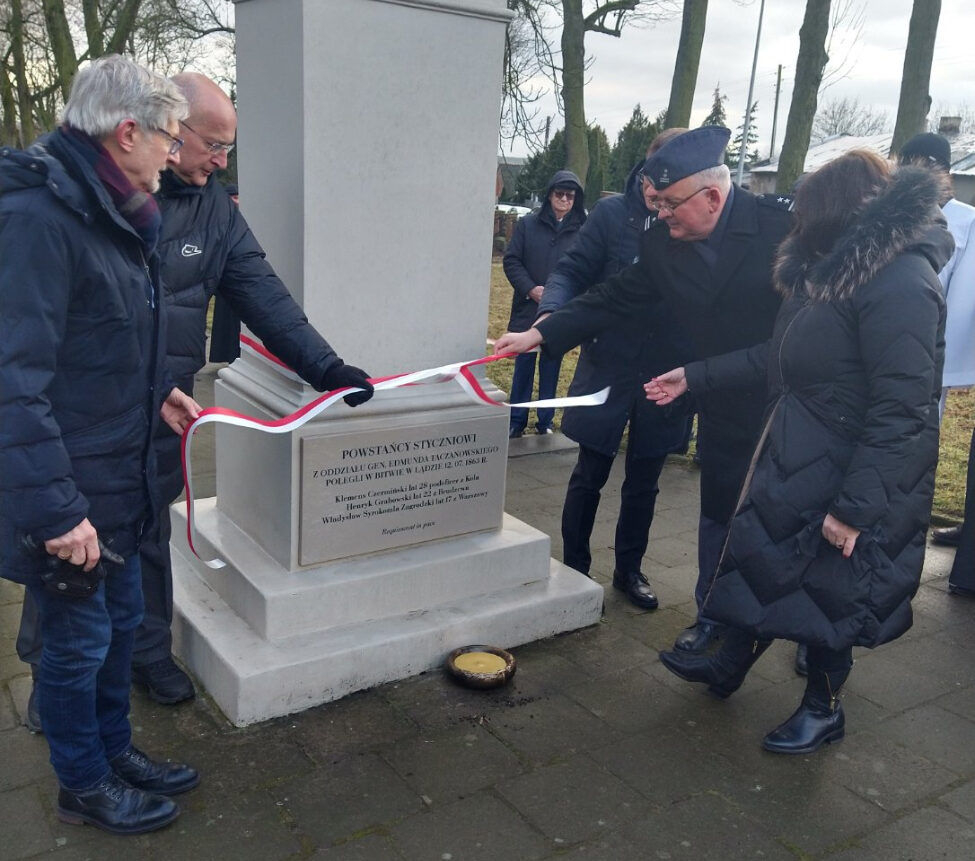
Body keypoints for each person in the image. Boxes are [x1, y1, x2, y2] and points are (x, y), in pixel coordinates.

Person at [16, 72, 375, 711]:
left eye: (228, 149)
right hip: (82, 427)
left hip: (160, 408)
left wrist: (326, 367)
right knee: (70, 560)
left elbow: (263, 294)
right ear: (165, 134)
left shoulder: (214, 209)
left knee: (149, 534)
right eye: (213, 145)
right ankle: (56, 685)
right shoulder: (94, 201)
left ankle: (148, 655)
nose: (222, 160)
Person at [649, 151, 952, 754]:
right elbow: (778, 354)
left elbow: (904, 409)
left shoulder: (900, 282)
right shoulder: (830, 273)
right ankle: (729, 660)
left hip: (852, 469)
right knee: (766, 560)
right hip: (796, 457)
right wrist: (698, 376)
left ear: (836, 212)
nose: (794, 222)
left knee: (833, 590)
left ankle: (824, 706)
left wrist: (857, 508)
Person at [0, 55, 203, 834]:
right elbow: (13, 382)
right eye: (168, 138)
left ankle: (115, 750)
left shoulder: (109, 212)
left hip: (115, 487)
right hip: (73, 503)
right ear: (126, 133)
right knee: (77, 649)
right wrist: (57, 512)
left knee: (118, 635)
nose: (175, 154)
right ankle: (83, 782)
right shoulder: (38, 220)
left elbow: (99, 345)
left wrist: (159, 394)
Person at [495, 127, 792, 651]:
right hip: (710, 402)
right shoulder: (663, 242)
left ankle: (798, 644)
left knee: (781, 525)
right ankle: (713, 628)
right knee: (716, 518)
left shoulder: (782, 231)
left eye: (670, 204)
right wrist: (541, 331)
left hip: (778, 409)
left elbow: (798, 342)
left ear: (712, 197)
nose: (661, 215)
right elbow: (610, 296)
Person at [537, 129, 694, 609]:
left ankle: (630, 569)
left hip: (664, 374)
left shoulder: (692, 223)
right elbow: (572, 272)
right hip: (608, 365)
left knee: (645, 481)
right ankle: (575, 570)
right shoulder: (610, 215)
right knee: (589, 474)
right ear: (644, 170)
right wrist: (553, 315)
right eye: (653, 177)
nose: (657, 191)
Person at [898, 133, 975, 549]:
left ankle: (911, 512)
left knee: (924, 431)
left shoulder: (967, 219)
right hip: (892, 333)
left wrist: (950, 360)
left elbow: (965, 292)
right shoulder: (895, 211)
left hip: (933, 342)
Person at [503, 170, 586, 437]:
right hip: (528, 308)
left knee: (551, 366)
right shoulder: (528, 225)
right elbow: (512, 260)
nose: (564, 200)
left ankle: (545, 421)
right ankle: (516, 420)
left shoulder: (582, 231)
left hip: (559, 311)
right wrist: (530, 289)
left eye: (570, 196)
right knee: (523, 367)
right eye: (559, 194)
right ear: (550, 194)